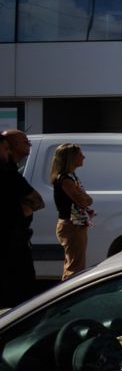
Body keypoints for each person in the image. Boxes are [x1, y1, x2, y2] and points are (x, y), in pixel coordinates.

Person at [2, 130, 44, 306]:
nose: (29, 145)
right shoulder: (7, 172)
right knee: (18, 289)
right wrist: (23, 207)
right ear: (11, 147)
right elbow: (37, 200)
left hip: (16, 240)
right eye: (25, 142)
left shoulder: (12, 171)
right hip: (11, 243)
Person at [50, 143, 94, 280]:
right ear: (71, 158)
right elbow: (82, 200)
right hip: (71, 224)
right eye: (80, 154)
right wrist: (86, 198)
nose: (84, 157)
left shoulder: (71, 177)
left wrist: (85, 199)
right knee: (75, 268)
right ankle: (70, 297)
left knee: (73, 264)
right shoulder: (66, 179)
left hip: (75, 223)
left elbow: (85, 199)